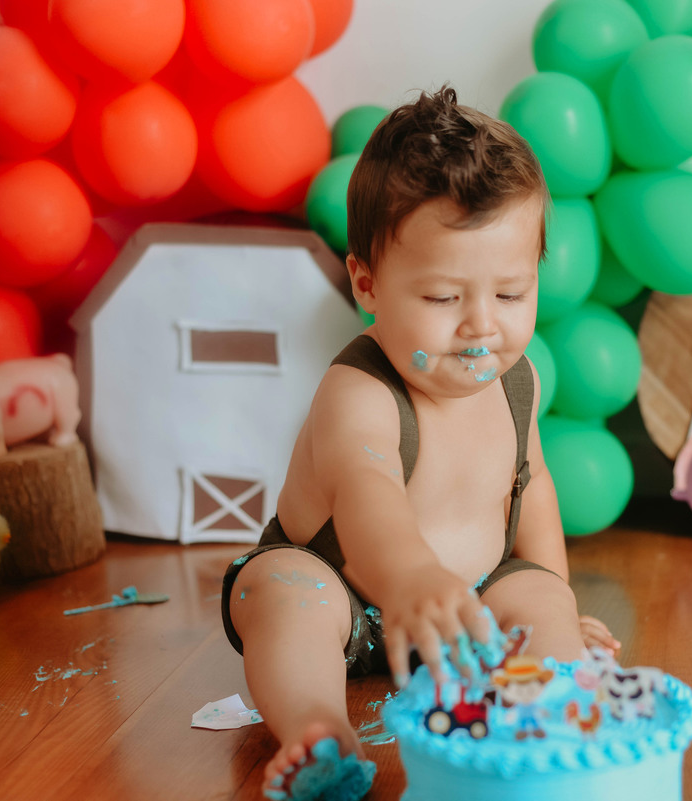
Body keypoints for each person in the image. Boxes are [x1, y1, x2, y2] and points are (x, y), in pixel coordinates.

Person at [221, 85, 619, 800]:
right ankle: (317, 728)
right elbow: (366, 490)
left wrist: (555, 594)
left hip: (463, 608)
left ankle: (552, 716)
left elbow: (531, 485)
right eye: (443, 297)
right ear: (367, 284)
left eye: (510, 293)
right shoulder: (360, 390)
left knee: (539, 598)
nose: (481, 325)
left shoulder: (518, 379)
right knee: (279, 591)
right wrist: (407, 577)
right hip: (346, 595)